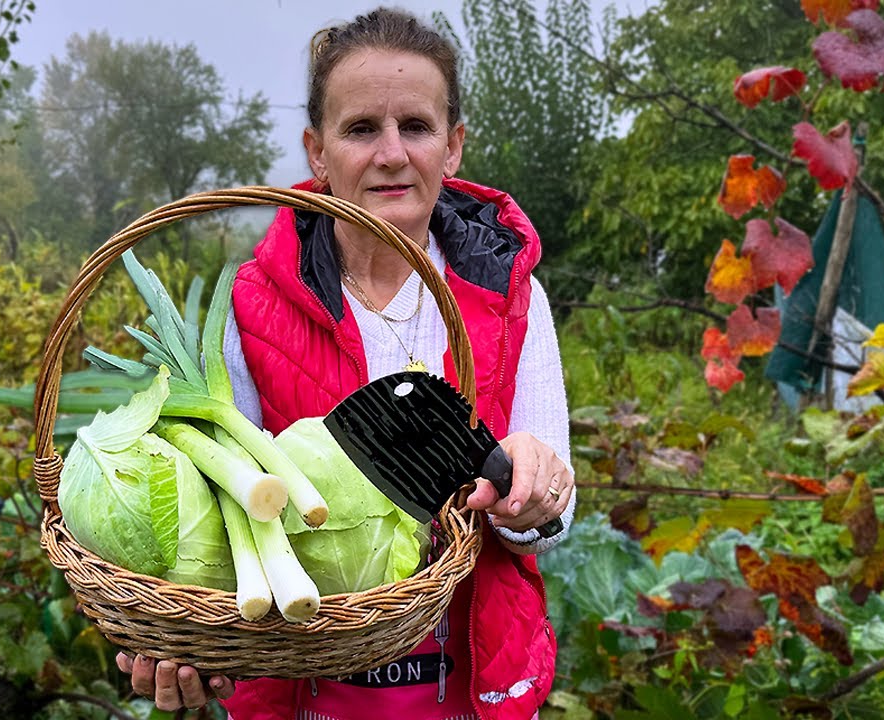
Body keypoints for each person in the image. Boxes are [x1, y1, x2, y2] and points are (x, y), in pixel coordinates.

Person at [116, 8, 577, 719]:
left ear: (452, 147)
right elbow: (216, 520)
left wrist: (533, 491)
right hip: (303, 690)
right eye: (361, 128)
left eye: (416, 127)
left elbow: (550, 515)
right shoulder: (251, 306)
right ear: (318, 152)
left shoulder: (510, 295)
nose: (391, 153)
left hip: (473, 687)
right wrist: (188, 641)